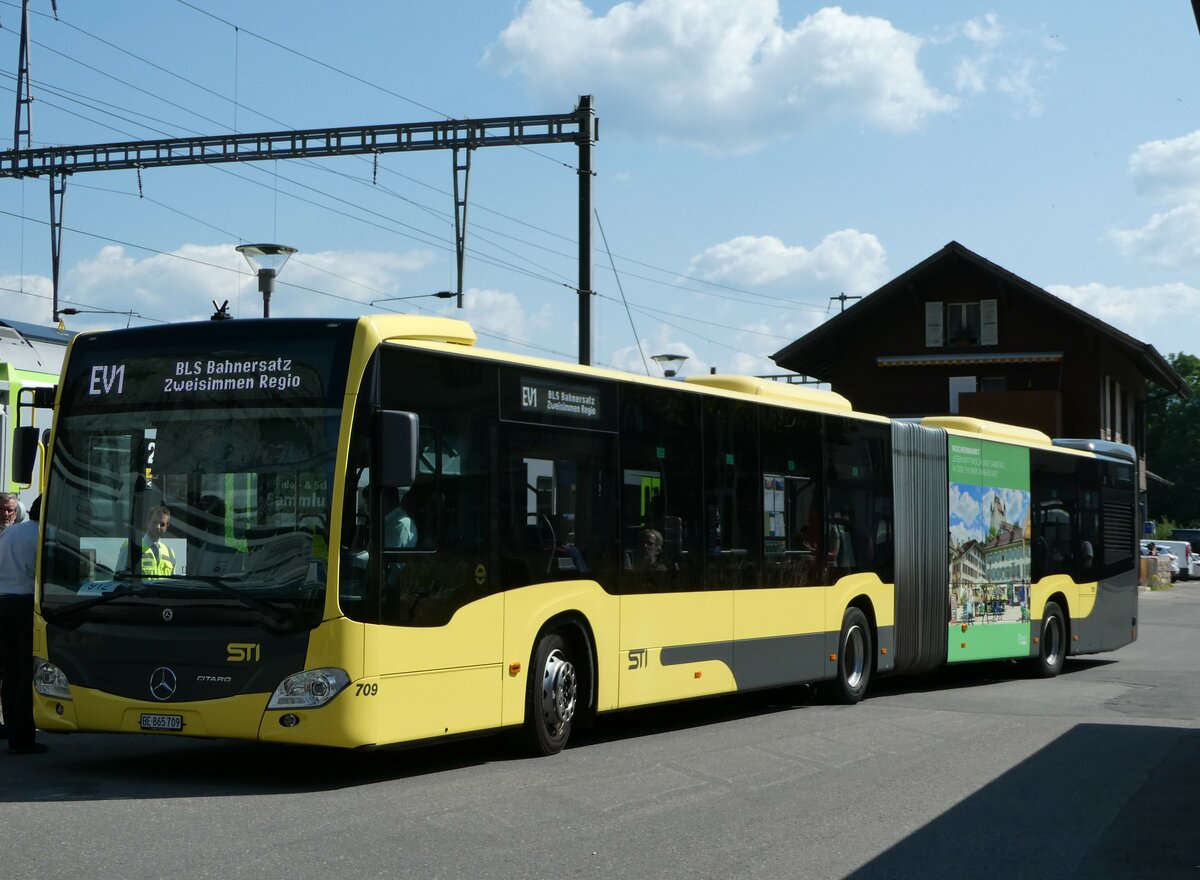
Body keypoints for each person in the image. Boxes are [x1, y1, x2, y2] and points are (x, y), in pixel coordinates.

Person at [0, 495, 47, 754]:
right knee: (26, 672)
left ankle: (11, 730)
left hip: (3, 602)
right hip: (26, 605)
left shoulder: (10, 533)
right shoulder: (42, 536)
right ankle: (23, 738)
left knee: (10, 673)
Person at [116, 506, 176, 576]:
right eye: (154, 522)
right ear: (147, 523)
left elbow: (173, 581)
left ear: (167, 526)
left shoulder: (170, 553)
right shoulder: (131, 546)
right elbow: (120, 577)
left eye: (162, 524)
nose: (158, 527)